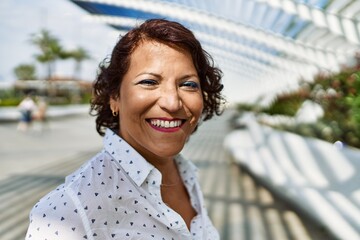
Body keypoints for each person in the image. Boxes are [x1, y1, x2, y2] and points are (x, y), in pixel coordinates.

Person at [26, 19, 225, 240]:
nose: (173, 102)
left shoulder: (186, 175)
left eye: (188, 84)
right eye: (149, 82)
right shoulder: (69, 211)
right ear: (114, 97)